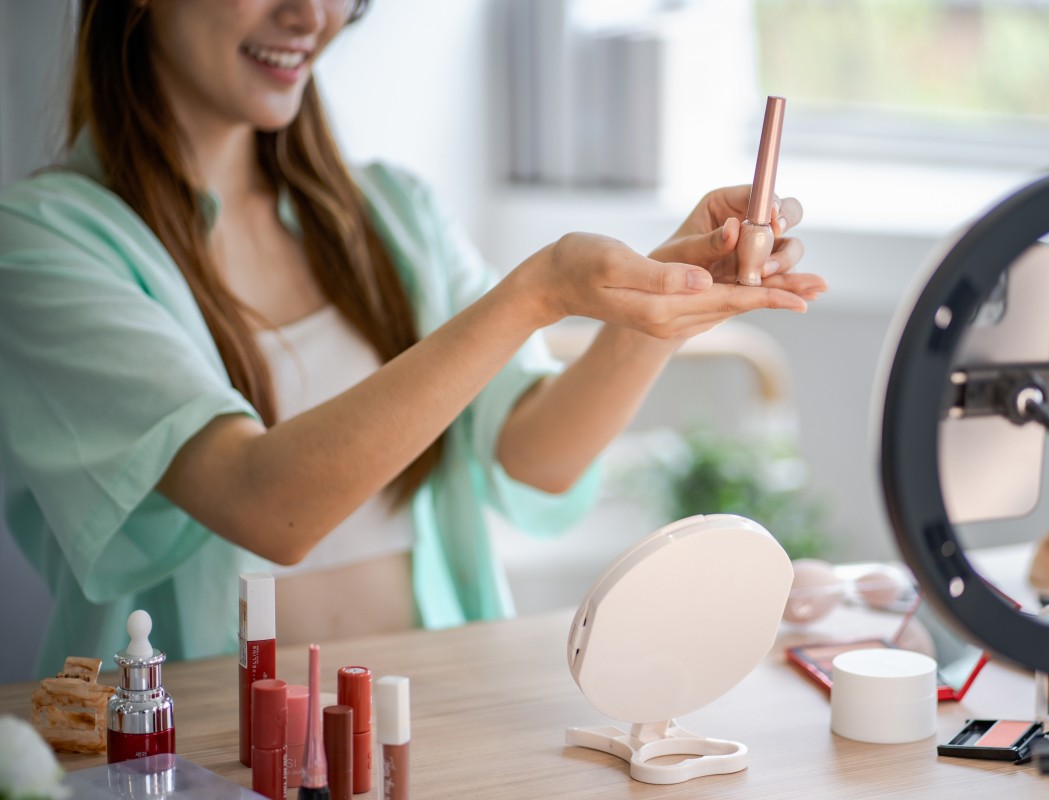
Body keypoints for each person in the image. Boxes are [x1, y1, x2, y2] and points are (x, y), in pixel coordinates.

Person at [0, 0, 825, 679]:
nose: (309, 16)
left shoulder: (396, 214)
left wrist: (662, 310)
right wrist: (537, 293)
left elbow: (536, 454)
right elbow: (267, 507)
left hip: (433, 713)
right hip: (209, 743)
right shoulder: (45, 243)